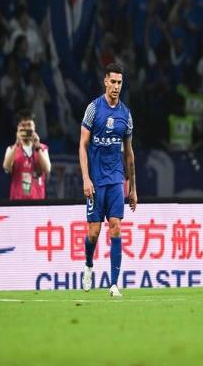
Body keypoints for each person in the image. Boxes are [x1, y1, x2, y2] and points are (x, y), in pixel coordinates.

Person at [79, 63, 137, 298]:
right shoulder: (93, 109)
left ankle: (114, 285)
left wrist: (133, 188)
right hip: (96, 181)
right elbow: (82, 145)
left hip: (115, 180)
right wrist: (86, 178)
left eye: (119, 82)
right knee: (93, 233)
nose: (116, 86)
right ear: (105, 81)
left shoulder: (126, 115)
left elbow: (129, 154)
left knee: (116, 227)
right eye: (113, 81)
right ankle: (88, 265)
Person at [3, 109, 51, 200]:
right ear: (18, 128)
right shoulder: (11, 149)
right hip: (17, 202)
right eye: (23, 125)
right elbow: (6, 167)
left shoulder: (42, 148)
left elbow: (47, 169)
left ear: (34, 127)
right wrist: (17, 143)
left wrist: (37, 147)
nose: (26, 128)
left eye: (29, 125)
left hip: (38, 203)